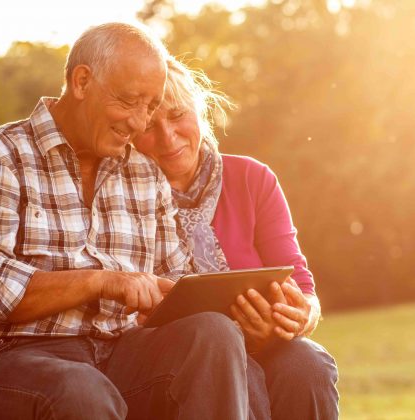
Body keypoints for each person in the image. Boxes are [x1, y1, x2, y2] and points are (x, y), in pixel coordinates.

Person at [0, 22, 257, 420]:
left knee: (212, 333)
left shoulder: (145, 174)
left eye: (151, 106)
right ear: (82, 81)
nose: (141, 123)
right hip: (9, 358)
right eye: (129, 101)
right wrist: (101, 280)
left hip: (118, 355)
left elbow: (177, 276)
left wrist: (196, 298)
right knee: (81, 391)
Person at [134, 57, 340, 419]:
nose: (168, 137)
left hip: (266, 344)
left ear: (201, 112)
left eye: (179, 114)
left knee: (309, 365)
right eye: (151, 125)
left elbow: (303, 286)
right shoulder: (124, 194)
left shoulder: (252, 178)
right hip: (182, 355)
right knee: (243, 372)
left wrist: (298, 316)